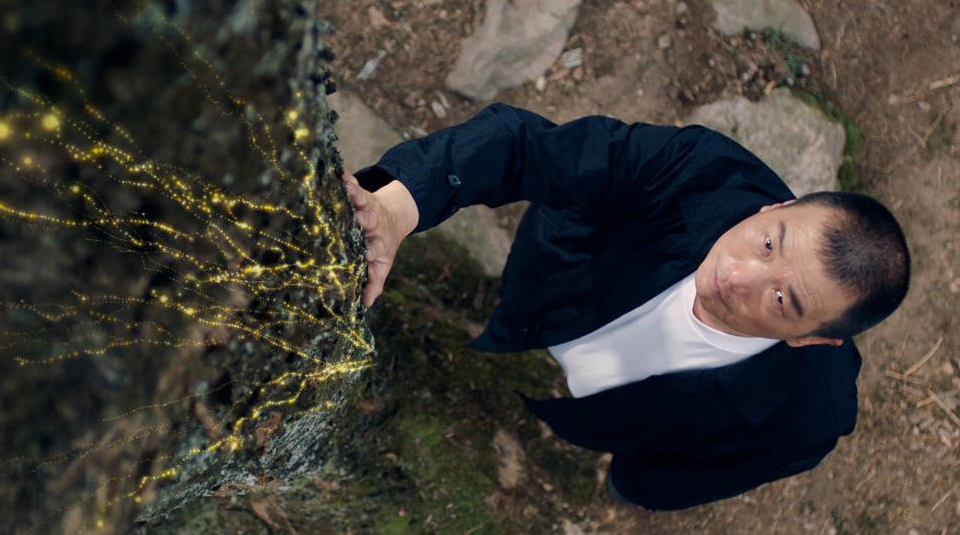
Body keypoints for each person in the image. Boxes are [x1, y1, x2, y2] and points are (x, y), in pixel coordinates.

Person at [342, 103, 910, 511]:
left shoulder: (808, 418)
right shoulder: (702, 169)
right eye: (767, 243)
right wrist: (398, 208)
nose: (736, 275)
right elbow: (526, 146)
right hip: (544, 290)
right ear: (776, 208)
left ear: (812, 338)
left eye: (782, 299)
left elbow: (697, 477)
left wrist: (629, 486)